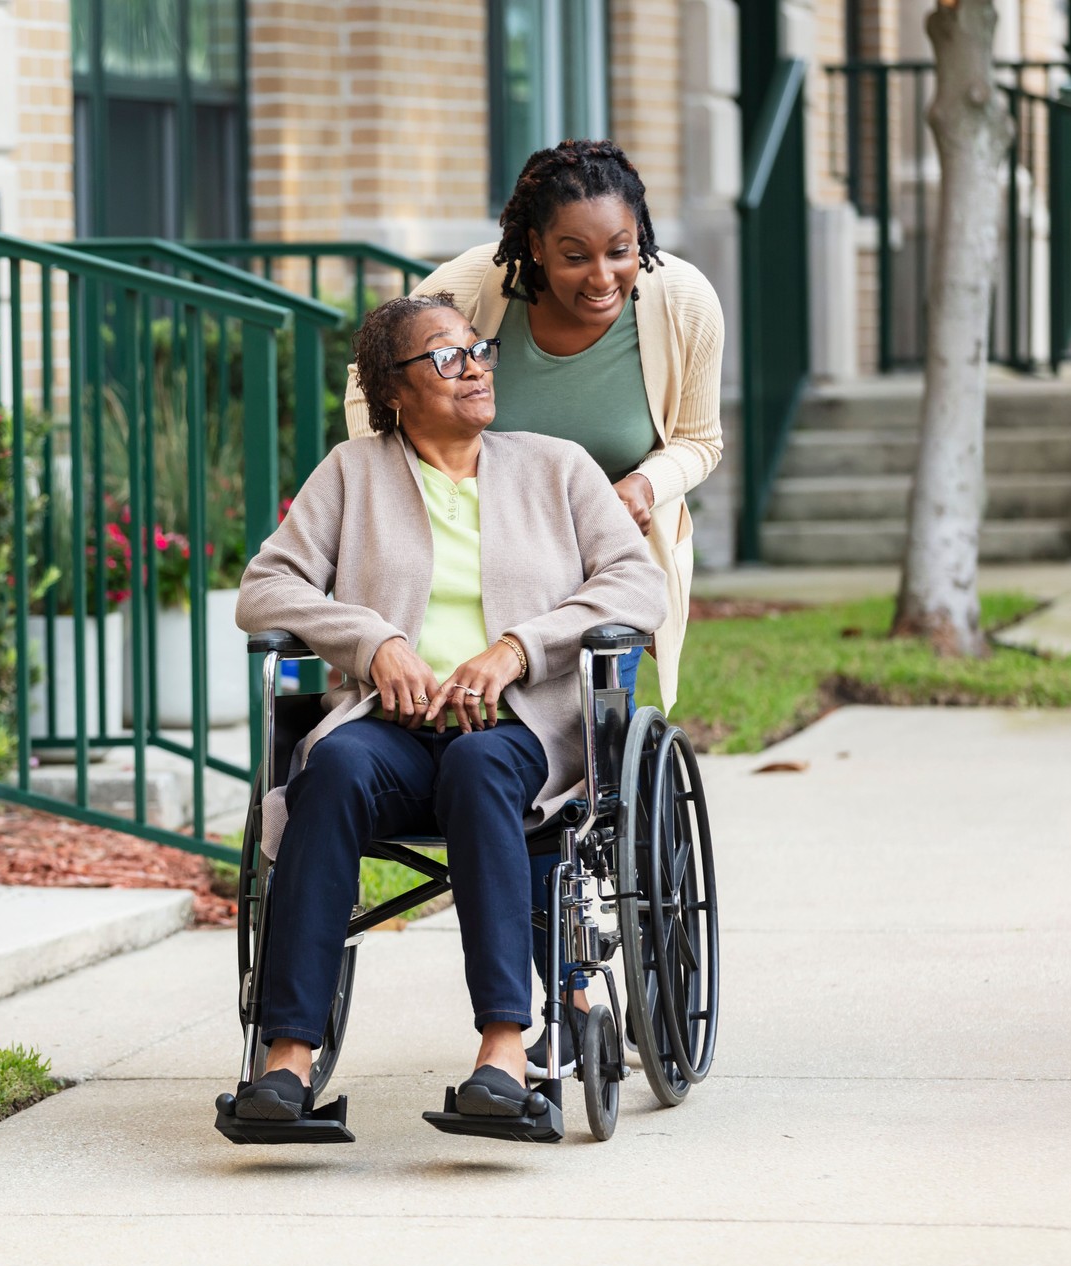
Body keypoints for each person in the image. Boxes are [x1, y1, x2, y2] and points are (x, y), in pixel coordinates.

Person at [229, 293, 667, 1123]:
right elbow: (264, 589)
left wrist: (518, 649)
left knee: (476, 766)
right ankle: (286, 1060)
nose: (474, 368)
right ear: (392, 391)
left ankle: (506, 1048)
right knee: (330, 770)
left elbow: (635, 582)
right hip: (390, 731)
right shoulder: (352, 472)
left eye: (477, 350)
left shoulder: (556, 466)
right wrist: (372, 641)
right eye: (446, 356)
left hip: (520, 728)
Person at [344, 139, 725, 1076]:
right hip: (477, 562)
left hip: (601, 573)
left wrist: (644, 487)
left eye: (622, 250)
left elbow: (701, 439)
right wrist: (406, 491)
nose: (603, 275)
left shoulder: (680, 304)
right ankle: (563, 997)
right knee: (499, 764)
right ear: (530, 250)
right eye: (575, 254)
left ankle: (574, 988)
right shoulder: (472, 293)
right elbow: (376, 385)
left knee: (574, 759)